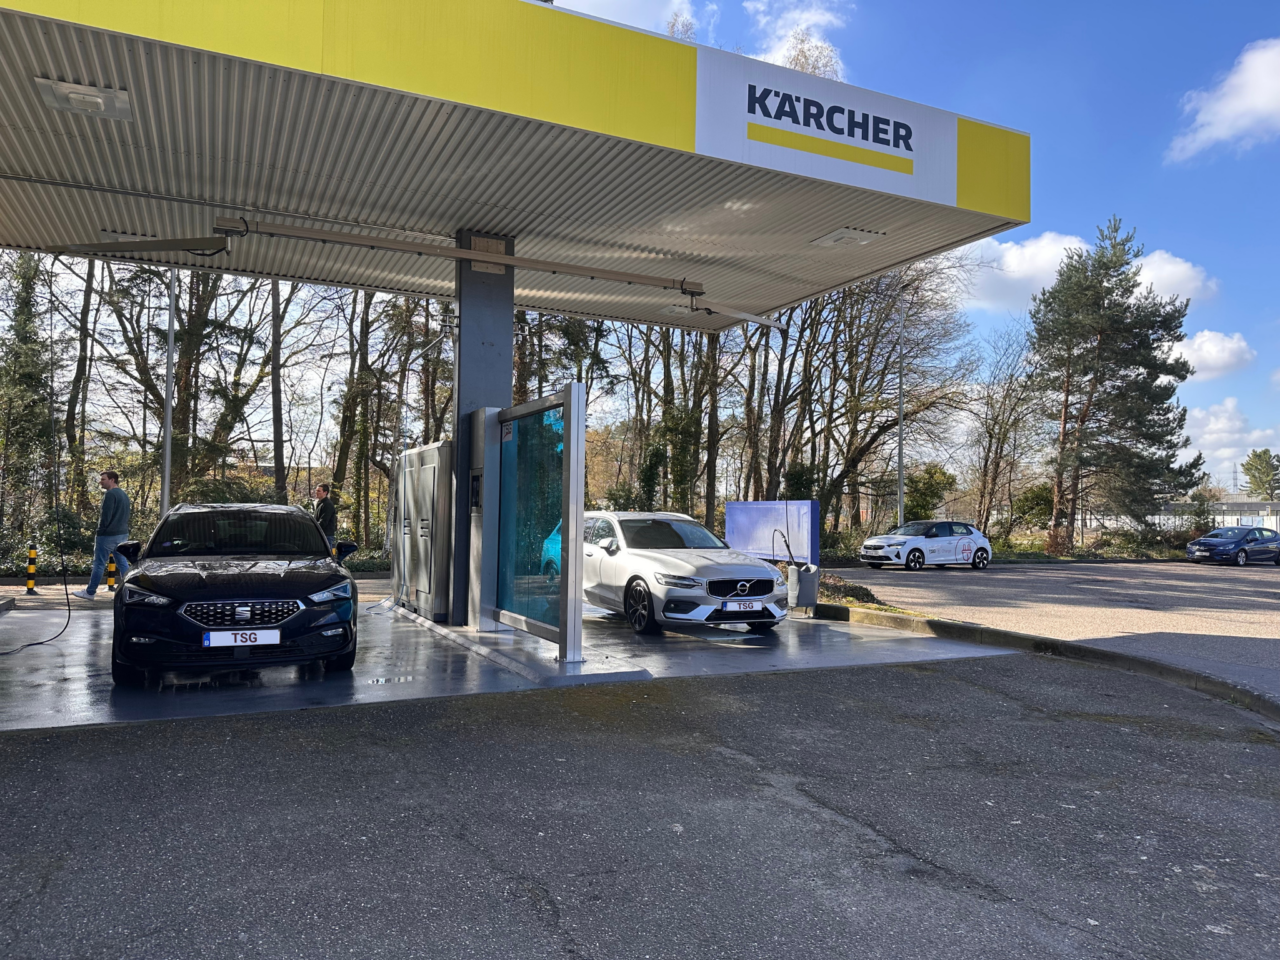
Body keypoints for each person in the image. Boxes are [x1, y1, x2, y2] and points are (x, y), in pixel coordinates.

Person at [73, 471, 131, 600]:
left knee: (99, 564)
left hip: (107, 535)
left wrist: (100, 530)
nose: (101, 482)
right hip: (122, 534)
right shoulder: (124, 495)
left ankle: (90, 592)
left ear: (112, 480)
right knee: (122, 563)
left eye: (103, 479)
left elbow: (106, 516)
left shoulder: (110, 495)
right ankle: (128, 592)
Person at [314, 483, 337, 551]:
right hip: (320, 535)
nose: (316, 492)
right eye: (316, 490)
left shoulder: (328, 504)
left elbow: (323, 521)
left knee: (327, 555)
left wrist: (313, 529)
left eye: (319, 491)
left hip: (327, 536)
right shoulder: (320, 503)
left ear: (325, 492)